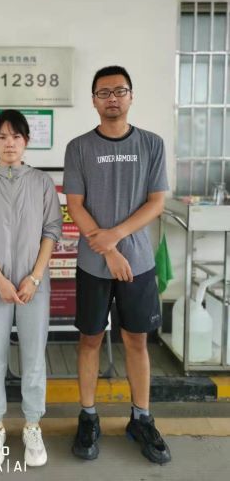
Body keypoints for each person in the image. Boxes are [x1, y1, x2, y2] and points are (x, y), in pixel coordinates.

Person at [63, 65, 171, 465]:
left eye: (119, 91)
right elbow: (75, 205)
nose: (112, 98)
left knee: (136, 340)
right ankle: (88, 416)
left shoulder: (152, 144)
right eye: (104, 92)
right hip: (93, 263)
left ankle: (141, 418)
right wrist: (107, 249)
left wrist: (116, 236)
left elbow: (156, 202)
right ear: (93, 100)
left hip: (138, 262)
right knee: (90, 339)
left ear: (131, 96)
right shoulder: (78, 147)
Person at [0, 109, 62, 468]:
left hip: (33, 286)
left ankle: (32, 425)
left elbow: (52, 231)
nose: (9, 143)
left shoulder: (41, 183)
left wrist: (34, 277)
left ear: (26, 141)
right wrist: (0, 280)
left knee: (34, 357)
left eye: (16, 136)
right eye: (2, 137)